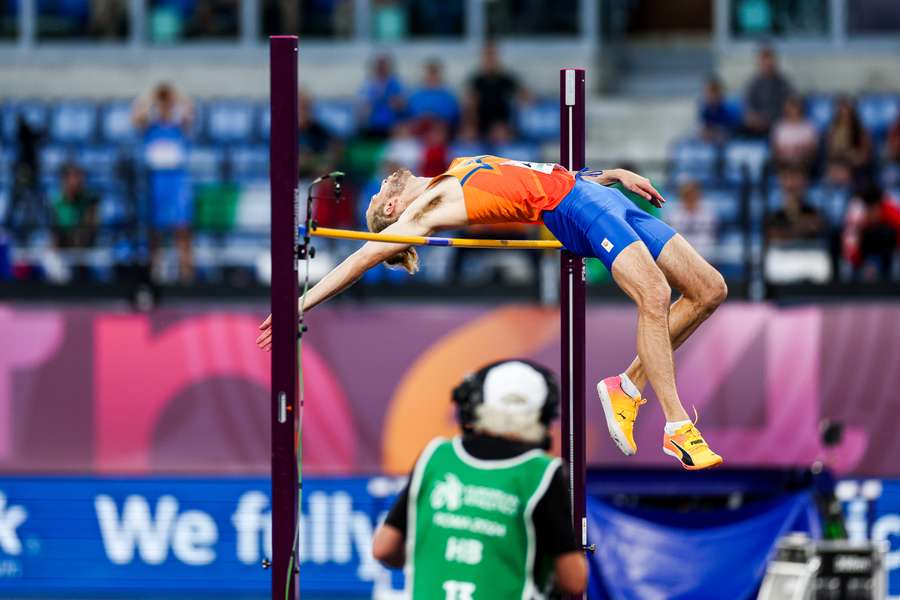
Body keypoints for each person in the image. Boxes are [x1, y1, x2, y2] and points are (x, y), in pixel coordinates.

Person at [257, 155, 727, 470]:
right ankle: (676, 426)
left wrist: (610, 173)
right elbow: (359, 260)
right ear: (394, 210)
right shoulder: (426, 210)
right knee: (655, 296)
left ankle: (626, 386)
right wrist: (296, 304)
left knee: (709, 289)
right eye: (379, 196)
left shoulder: (457, 167)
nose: (381, 185)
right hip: (574, 210)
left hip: (595, 193)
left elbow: (536, 170)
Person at [371, 359, 588, 597]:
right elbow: (574, 580)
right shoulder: (541, 473)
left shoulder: (435, 457)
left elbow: (384, 548)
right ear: (543, 415)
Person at [132, 82, 194, 282]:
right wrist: (152, 97)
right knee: (154, 230)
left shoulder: (179, 124)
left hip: (176, 179)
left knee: (182, 228)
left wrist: (174, 96)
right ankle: (154, 273)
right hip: (156, 179)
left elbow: (190, 111)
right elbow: (136, 117)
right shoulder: (150, 125)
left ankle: (186, 275)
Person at [465, 42, 525, 136]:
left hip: (501, 125)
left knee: (501, 132)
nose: (490, 59)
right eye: (487, 56)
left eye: (492, 55)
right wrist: (473, 123)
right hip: (481, 125)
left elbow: (523, 96)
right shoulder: (477, 80)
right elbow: (470, 105)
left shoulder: (506, 79)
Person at [842, 183, 900, 280]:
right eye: (870, 210)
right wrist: (858, 262)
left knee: (886, 233)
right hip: (863, 252)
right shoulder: (856, 213)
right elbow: (850, 243)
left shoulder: (890, 209)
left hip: (885, 252)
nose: (873, 213)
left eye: (875, 209)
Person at [743, 46, 793, 137]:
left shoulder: (783, 84)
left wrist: (769, 119)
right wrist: (754, 118)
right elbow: (748, 107)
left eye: (769, 62)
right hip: (757, 124)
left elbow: (789, 107)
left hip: (776, 123)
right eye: (764, 62)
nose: (767, 65)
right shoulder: (754, 84)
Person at [766, 166, 825, 242]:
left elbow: (817, 227)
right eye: (790, 190)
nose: (792, 186)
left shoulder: (815, 213)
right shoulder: (774, 216)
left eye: (797, 188)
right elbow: (775, 234)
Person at [665, 179, 718, 259]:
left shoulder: (708, 213)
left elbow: (710, 236)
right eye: (687, 195)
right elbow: (674, 238)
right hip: (681, 253)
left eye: (692, 194)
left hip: (704, 253)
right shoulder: (674, 214)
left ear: (698, 195)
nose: (690, 197)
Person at [50, 163, 99, 250]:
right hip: (62, 252)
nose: (79, 181)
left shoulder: (91, 203)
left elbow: (92, 231)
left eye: (80, 177)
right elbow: (55, 237)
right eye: (75, 177)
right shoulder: (55, 203)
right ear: (64, 180)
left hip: (85, 251)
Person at [358, 54, 406, 139]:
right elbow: (363, 106)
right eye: (379, 66)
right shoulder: (369, 84)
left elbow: (400, 105)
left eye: (383, 66)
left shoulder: (396, 84)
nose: (381, 69)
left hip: (391, 125)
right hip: (372, 124)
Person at [825, 97, 873, 182]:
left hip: (855, 165)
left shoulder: (861, 131)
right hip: (838, 163)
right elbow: (831, 152)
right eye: (842, 115)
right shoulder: (833, 130)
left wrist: (853, 156)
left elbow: (864, 155)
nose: (845, 118)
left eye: (847, 115)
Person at [407, 59, 460, 130]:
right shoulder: (415, 95)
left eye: (435, 73)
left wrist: (436, 117)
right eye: (429, 73)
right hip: (418, 130)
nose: (432, 76)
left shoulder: (448, 95)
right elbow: (409, 114)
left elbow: (453, 114)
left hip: (441, 130)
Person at [771, 96, 819, 170]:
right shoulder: (780, 126)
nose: (793, 111)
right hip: (784, 162)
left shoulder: (809, 126)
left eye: (795, 108)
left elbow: (813, 149)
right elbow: (775, 148)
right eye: (790, 109)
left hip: (803, 162)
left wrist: (799, 151)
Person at [698, 77, 738, 141]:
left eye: (715, 92)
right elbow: (702, 132)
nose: (712, 96)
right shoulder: (705, 111)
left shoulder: (729, 111)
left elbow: (731, 132)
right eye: (709, 93)